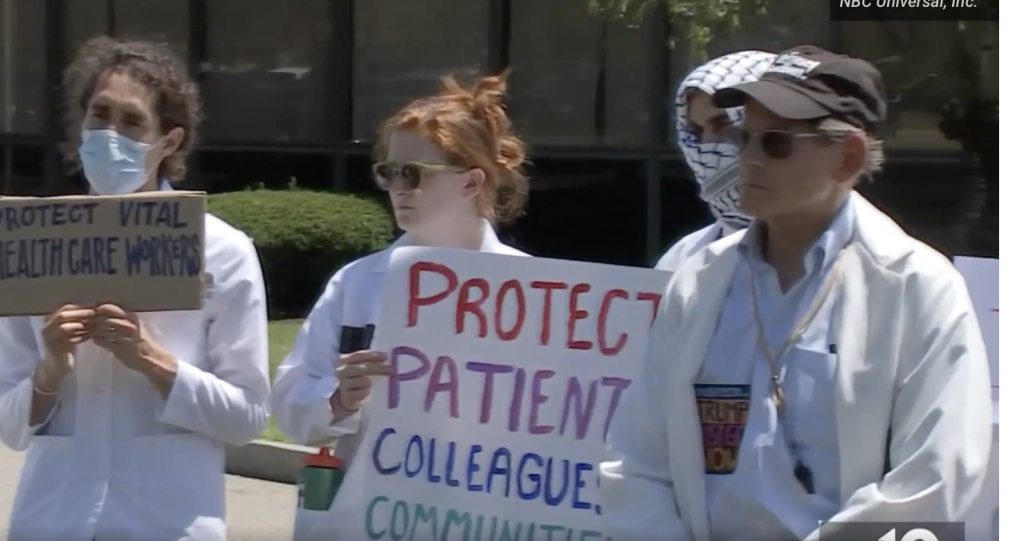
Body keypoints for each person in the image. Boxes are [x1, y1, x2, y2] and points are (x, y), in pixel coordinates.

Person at [600, 45, 992, 541]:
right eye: (743, 137)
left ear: (847, 157)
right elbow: (636, 461)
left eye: (776, 143)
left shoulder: (917, 286)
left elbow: (933, 481)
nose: (747, 158)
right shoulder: (697, 279)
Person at [0, 37, 270, 541]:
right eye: (99, 116)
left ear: (168, 141)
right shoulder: (34, 244)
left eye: (131, 122)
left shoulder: (222, 250)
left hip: (164, 521)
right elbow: (9, 427)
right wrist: (50, 371)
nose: (110, 135)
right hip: (54, 518)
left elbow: (247, 417)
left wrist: (150, 359)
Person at [271, 70, 529, 472]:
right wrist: (339, 399)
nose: (398, 187)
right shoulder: (355, 284)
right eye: (388, 172)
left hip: (487, 499)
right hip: (373, 504)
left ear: (471, 183)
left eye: (413, 172)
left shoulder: (532, 290)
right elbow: (290, 406)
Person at [656, 50, 777, 270]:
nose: (706, 144)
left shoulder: (833, 254)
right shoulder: (683, 257)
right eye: (697, 131)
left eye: (723, 124)